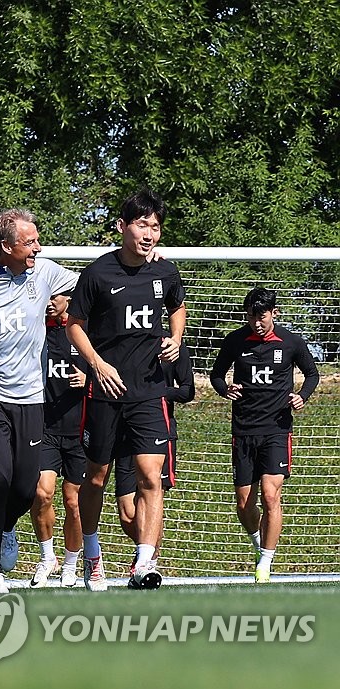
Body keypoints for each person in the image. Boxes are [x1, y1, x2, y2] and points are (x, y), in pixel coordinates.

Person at [66, 189, 186, 591]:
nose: (148, 233)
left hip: (150, 390)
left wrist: (177, 337)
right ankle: (93, 557)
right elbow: (74, 324)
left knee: (151, 476)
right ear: (122, 227)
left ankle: (144, 563)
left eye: (154, 225)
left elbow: (176, 306)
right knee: (96, 477)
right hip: (104, 392)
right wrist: (97, 364)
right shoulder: (98, 273)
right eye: (141, 224)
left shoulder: (166, 272)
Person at [0, 208, 78, 594]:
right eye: (29, 242)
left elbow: (93, 283)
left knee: (27, 487)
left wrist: (145, 258)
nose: (37, 247)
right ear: (5, 246)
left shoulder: (43, 272)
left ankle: (4, 526)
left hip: (30, 396)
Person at [209, 287, 319, 582]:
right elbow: (216, 374)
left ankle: (265, 564)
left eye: (262, 316)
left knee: (271, 496)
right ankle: (260, 544)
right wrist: (225, 389)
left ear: (274, 314)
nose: (257, 322)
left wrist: (302, 396)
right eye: (251, 316)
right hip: (244, 429)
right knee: (244, 504)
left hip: (276, 429)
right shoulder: (235, 340)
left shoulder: (292, 342)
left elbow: (312, 373)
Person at [114, 333, 193, 584]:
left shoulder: (173, 346)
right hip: (123, 430)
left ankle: (147, 564)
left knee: (151, 493)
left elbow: (187, 390)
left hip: (157, 430)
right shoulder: (126, 342)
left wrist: (154, 392)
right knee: (127, 512)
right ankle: (143, 556)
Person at [29, 291, 86, 588]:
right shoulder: (37, 330)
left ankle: (71, 564)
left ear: (69, 299)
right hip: (46, 430)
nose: (49, 301)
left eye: (57, 296)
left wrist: (90, 380)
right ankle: (47, 556)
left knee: (73, 501)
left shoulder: (83, 332)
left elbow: (109, 368)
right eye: (46, 296)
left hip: (79, 431)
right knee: (42, 493)